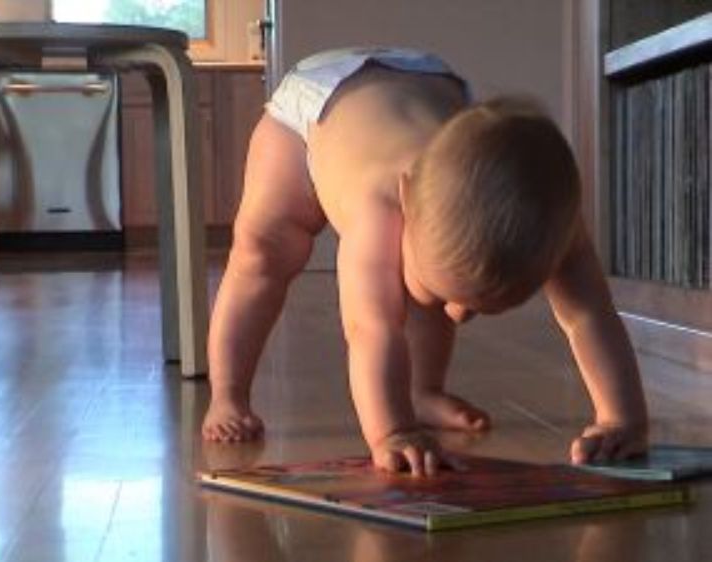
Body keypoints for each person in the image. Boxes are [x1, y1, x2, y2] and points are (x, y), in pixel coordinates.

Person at [201, 47, 648, 476]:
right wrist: (392, 433)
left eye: (471, 307)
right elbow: (371, 331)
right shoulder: (376, 209)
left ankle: (423, 391)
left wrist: (620, 419)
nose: (459, 314)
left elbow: (589, 315)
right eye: (448, 297)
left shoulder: (556, 218)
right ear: (406, 198)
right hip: (315, 110)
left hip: (427, 83)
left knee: (427, 277)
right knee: (261, 258)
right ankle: (228, 395)